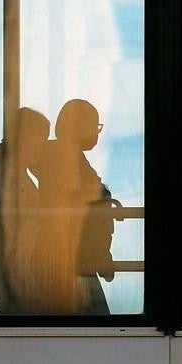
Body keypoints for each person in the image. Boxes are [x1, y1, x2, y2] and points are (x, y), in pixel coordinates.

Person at [27, 99, 117, 314]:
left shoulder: (60, 154)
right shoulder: (64, 155)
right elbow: (79, 203)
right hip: (71, 261)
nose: (97, 133)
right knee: (98, 331)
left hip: (71, 258)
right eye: (94, 126)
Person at [0, 107, 49, 313]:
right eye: (41, 139)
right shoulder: (12, 177)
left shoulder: (10, 172)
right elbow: (5, 228)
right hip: (16, 268)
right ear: (26, 138)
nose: (42, 147)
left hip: (15, 265)